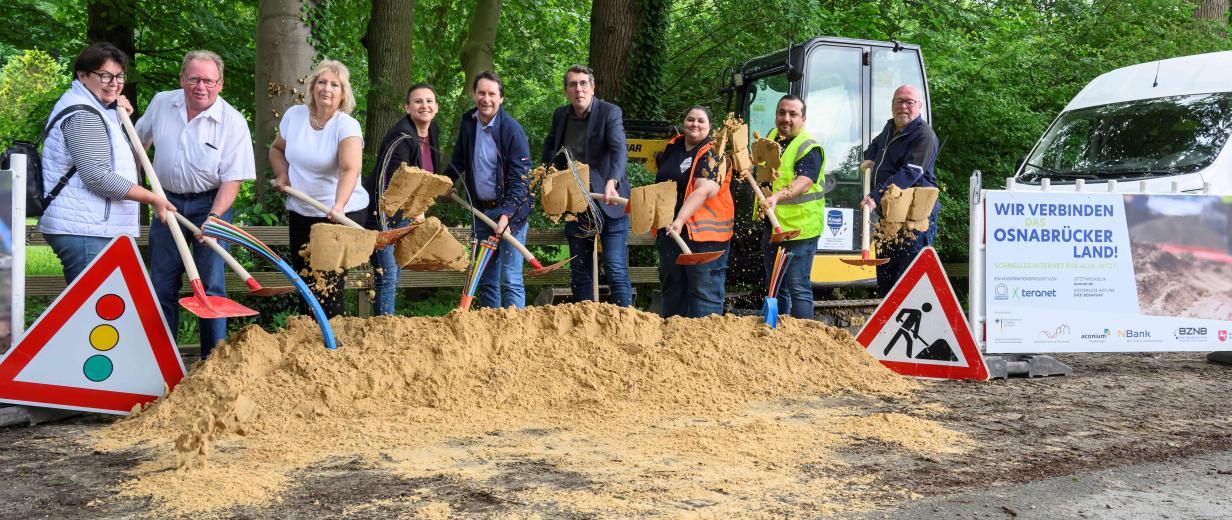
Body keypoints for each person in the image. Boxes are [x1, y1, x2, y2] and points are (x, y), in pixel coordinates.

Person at [134, 50, 254, 358]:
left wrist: (213, 220)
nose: (201, 86)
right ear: (182, 79)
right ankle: (162, 360)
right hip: (165, 203)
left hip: (211, 204)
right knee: (162, 284)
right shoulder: (162, 102)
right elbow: (138, 142)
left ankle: (210, 362)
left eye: (209, 81)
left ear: (221, 84)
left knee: (211, 286)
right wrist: (138, 185)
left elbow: (233, 180)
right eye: (194, 79)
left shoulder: (232, 122)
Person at [38, 42, 176, 284]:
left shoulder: (94, 108)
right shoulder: (82, 114)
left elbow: (107, 154)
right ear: (82, 75)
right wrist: (153, 198)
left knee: (93, 310)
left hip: (90, 227)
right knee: (88, 310)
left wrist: (117, 116)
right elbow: (98, 176)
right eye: (105, 76)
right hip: (85, 230)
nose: (114, 83)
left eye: (119, 76)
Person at [270, 59, 367, 318]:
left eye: (335, 84)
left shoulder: (346, 125)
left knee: (328, 285)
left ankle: (330, 346)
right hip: (302, 210)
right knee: (305, 280)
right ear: (312, 87)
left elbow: (350, 169)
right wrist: (282, 174)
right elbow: (277, 149)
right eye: (322, 82)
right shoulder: (294, 116)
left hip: (338, 213)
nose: (327, 88)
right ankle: (307, 341)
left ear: (343, 94)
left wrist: (339, 206)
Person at [539, 65, 632, 306]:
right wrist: (547, 177)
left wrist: (612, 182)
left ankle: (627, 326)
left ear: (592, 87)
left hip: (608, 199)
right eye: (573, 84)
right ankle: (585, 328)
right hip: (576, 203)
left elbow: (619, 149)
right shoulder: (560, 115)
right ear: (566, 91)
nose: (578, 89)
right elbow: (550, 150)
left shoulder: (609, 112)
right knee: (580, 272)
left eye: (583, 83)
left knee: (615, 268)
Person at [444, 71, 534, 309]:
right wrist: (447, 181)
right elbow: (459, 159)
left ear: (501, 98)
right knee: (486, 279)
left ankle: (515, 333)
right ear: (474, 95)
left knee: (510, 278)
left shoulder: (512, 131)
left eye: (492, 94)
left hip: (511, 213)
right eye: (481, 93)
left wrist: (507, 215)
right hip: (481, 213)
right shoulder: (468, 124)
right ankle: (490, 334)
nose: (486, 99)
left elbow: (522, 179)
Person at [362, 83, 442, 316]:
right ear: (407, 107)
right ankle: (384, 328)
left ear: (436, 107)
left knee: (394, 272)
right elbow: (396, 184)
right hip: (383, 213)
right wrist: (418, 212)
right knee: (387, 276)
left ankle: (385, 324)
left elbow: (428, 177)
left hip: (404, 214)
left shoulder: (431, 132)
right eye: (418, 101)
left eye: (429, 101)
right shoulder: (401, 137)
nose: (424, 106)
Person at [860, 85, 940, 297]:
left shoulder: (924, 135)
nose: (903, 106)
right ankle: (887, 324)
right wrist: (869, 156)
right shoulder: (889, 129)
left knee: (906, 280)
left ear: (919, 106)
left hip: (914, 217)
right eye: (899, 101)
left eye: (909, 102)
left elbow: (910, 173)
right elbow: (876, 146)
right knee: (885, 279)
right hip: (888, 215)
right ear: (892, 105)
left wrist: (876, 195)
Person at [654, 106, 733, 318]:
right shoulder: (674, 146)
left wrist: (680, 219)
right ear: (683, 122)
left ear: (710, 127)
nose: (694, 124)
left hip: (705, 236)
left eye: (701, 121)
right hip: (671, 233)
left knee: (704, 293)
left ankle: (703, 345)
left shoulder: (715, 153)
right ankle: (673, 340)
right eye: (690, 119)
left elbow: (704, 190)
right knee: (673, 289)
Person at [760, 95, 825, 320]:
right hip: (773, 227)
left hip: (800, 230)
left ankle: (804, 341)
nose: (786, 118)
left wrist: (777, 196)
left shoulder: (808, 147)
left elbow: (804, 182)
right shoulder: (770, 139)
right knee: (775, 288)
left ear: (803, 119)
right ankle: (779, 339)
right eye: (782, 113)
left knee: (798, 288)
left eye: (793, 114)